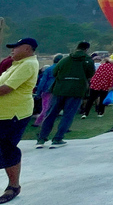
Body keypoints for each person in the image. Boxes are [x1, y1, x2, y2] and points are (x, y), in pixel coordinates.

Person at [0, 38, 39, 204]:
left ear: (27, 49)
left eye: (15, 48)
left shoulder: (28, 64)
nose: (12, 51)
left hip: (13, 115)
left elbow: (6, 88)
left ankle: (13, 186)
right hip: (5, 114)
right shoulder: (17, 64)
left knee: (7, 149)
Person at [37, 41, 95, 149]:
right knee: (68, 115)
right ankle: (58, 138)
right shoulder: (87, 60)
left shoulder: (65, 59)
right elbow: (90, 74)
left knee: (51, 114)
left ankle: (41, 139)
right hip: (76, 90)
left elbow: (55, 72)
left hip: (59, 89)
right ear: (87, 49)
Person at [33, 54, 63, 127]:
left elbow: (43, 81)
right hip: (57, 90)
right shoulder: (62, 69)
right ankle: (42, 122)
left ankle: (39, 122)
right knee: (51, 108)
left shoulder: (48, 69)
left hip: (46, 90)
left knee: (45, 107)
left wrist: (39, 92)